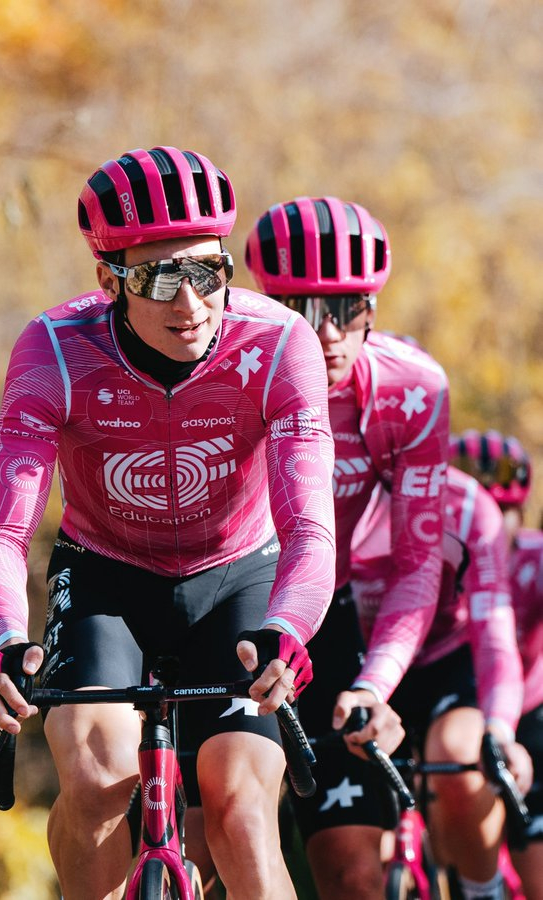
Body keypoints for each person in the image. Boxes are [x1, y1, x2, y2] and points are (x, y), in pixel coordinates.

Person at [0, 148, 338, 900]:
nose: (191, 302)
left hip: (239, 576)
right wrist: (3, 637)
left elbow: (309, 529)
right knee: (96, 783)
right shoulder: (54, 351)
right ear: (109, 281)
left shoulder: (278, 344)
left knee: (241, 813)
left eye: (208, 271)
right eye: (160, 278)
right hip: (105, 577)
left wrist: (289, 628)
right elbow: (4, 532)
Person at [244, 196, 450, 899]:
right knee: (215, 838)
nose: (327, 332)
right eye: (302, 309)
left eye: (347, 308)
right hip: (223, 604)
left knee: (356, 872)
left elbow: (416, 568)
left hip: (321, 616)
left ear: (372, 308)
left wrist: (374, 685)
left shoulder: (411, 392)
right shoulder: (227, 369)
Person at [351, 465, 533, 900]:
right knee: (359, 860)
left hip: (447, 661)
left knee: (456, 756)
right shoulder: (337, 490)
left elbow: (495, 633)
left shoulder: (468, 505)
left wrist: (500, 730)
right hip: (361, 664)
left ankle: (482, 888)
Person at [451, 429, 543, 900]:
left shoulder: (536, 558)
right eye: (476, 508)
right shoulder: (441, 560)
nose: (485, 523)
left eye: (501, 511)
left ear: (521, 514)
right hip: (460, 708)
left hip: (530, 713)